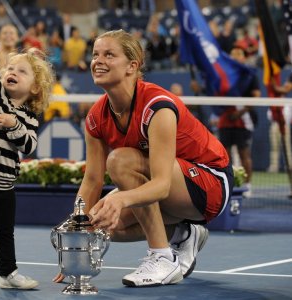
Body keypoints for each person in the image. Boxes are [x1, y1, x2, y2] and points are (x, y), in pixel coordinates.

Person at [52, 29, 233, 287]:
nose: (98, 61)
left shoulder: (157, 105)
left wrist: (122, 200)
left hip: (209, 183)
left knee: (120, 162)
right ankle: (183, 233)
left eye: (109, 55)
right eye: (95, 54)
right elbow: (91, 181)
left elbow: (161, 185)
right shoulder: (95, 117)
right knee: (100, 222)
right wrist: (77, 239)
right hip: (169, 188)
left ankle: (162, 257)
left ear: (132, 66)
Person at [0, 16, 54, 293]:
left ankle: (8, 272)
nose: (11, 72)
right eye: (10, 68)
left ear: (35, 88)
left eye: (21, 71)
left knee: (6, 233)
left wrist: (13, 124)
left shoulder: (29, 117)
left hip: (6, 186)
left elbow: (28, 146)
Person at [215, 47, 260, 196]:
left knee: (244, 154)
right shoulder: (223, 75)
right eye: (232, 53)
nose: (235, 56)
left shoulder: (250, 75)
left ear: (244, 58)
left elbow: (256, 97)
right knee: (224, 156)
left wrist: (239, 113)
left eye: (239, 54)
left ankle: (248, 186)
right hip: (225, 120)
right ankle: (227, 185)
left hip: (243, 120)